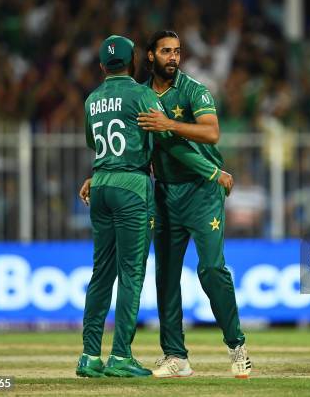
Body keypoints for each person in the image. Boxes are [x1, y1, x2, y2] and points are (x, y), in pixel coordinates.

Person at [76, 35, 231, 378]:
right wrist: (212, 170)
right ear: (134, 61)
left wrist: (96, 175)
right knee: (131, 272)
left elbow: (96, 145)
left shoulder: (91, 100)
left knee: (101, 273)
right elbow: (170, 144)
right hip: (131, 186)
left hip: (100, 186)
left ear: (102, 66)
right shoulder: (142, 94)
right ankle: (120, 357)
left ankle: (89, 356)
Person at [136, 30, 251, 378]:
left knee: (211, 269)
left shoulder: (193, 90)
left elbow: (211, 132)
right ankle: (176, 357)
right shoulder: (139, 96)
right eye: (166, 52)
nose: (173, 57)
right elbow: (133, 145)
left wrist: (169, 124)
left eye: (177, 51)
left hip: (202, 192)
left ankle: (237, 346)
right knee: (166, 276)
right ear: (151, 56)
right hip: (165, 194)